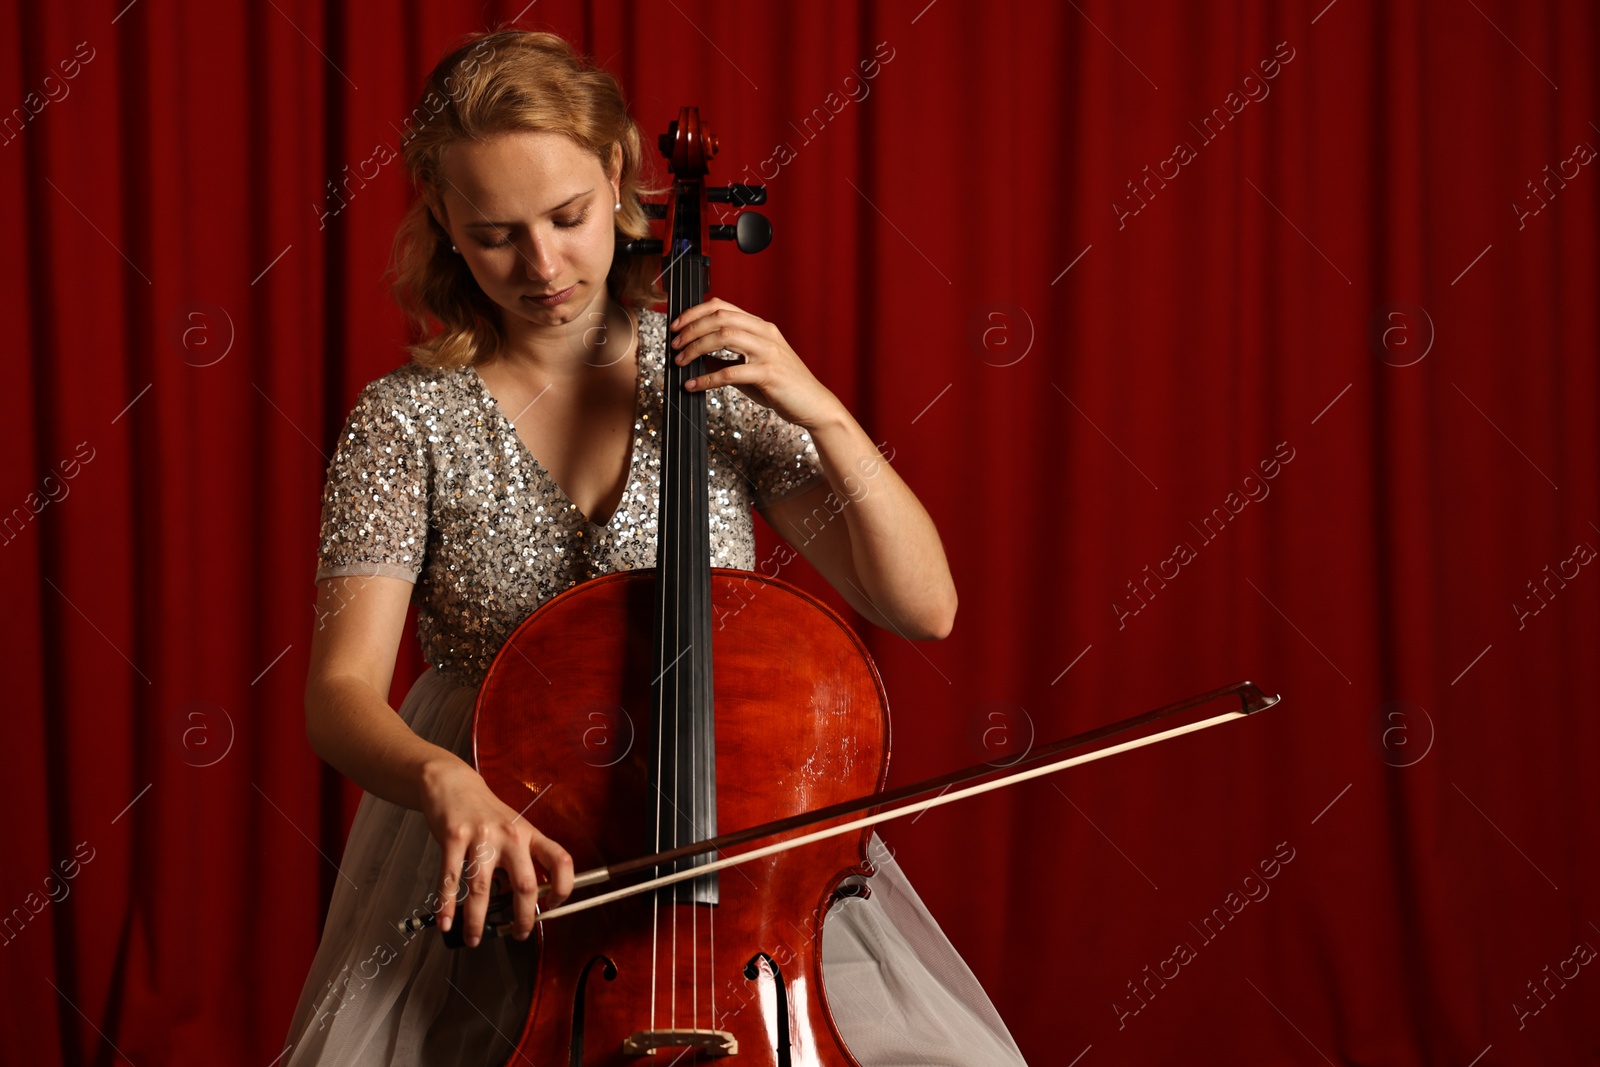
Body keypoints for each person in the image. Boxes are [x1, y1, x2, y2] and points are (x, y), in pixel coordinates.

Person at [282, 28, 1027, 1067]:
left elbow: (923, 605)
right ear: (442, 219)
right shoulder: (406, 420)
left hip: (730, 849)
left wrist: (825, 414)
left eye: (567, 217)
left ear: (620, 178)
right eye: (496, 232)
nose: (541, 265)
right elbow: (339, 692)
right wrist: (444, 779)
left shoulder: (713, 383)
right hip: (507, 853)